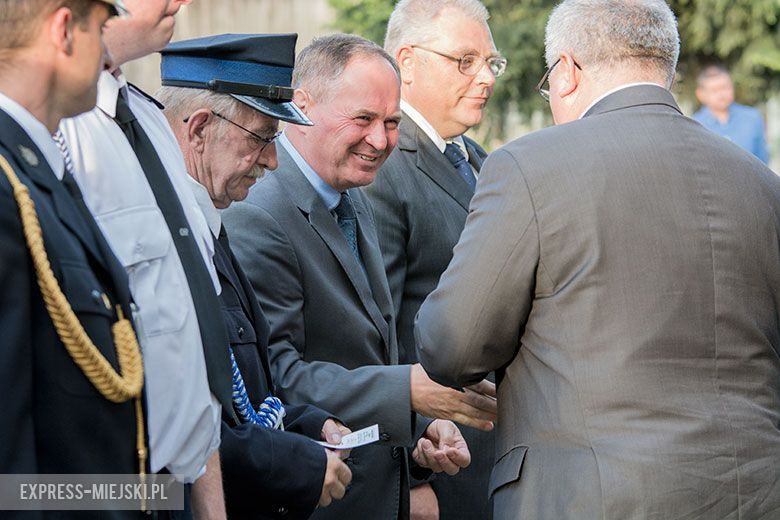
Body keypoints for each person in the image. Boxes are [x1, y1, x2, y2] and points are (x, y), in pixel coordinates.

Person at [415, 0, 780, 518]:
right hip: (756, 492)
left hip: (589, 496)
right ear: (668, 71)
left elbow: (452, 345)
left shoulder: (529, 166)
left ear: (566, 71)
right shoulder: (762, 184)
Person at [222, 33, 494, 519]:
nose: (381, 140)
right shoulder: (260, 213)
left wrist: (419, 426)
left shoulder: (351, 196)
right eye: (363, 119)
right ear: (300, 105)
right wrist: (407, 392)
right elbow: (276, 379)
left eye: (391, 122)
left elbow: (369, 350)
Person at [156, 32, 354, 519]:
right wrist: (296, 465)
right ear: (199, 129)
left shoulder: (203, 223)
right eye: (261, 138)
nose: (271, 159)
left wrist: (310, 424)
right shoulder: (161, 234)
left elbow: (249, 390)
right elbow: (178, 426)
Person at [58, 1, 230, 517]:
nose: (180, 2)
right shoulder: (59, 135)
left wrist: (210, 508)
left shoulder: (150, 122)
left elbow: (188, 340)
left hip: (173, 485)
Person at [0, 0, 150, 518]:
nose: (108, 47)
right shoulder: (7, 187)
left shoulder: (36, 168)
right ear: (64, 30)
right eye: (102, 27)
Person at [363, 1, 504, 517]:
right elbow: (378, 330)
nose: (485, 76)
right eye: (465, 60)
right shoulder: (384, 166)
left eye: (491, 62)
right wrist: (414, 469)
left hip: (490, 452)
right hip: (439, 456)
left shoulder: (479, 160)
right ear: (407, 61)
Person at [693, 65, 769, 164]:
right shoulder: (694, 124)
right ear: (700, 94)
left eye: (725, 87)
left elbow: (763, 161)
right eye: (714, 90)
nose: (721, 94)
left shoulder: (753, 118)